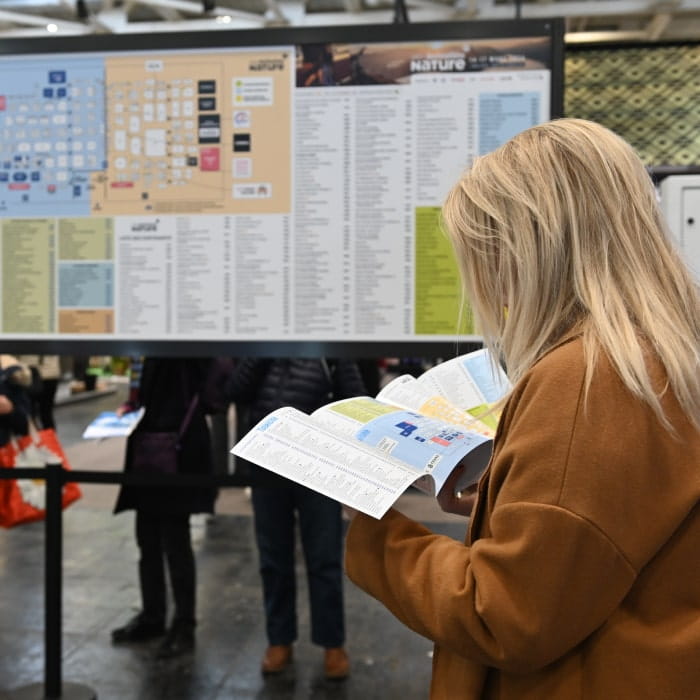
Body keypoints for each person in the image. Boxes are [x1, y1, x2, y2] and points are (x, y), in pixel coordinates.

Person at [343, 119, 700, 698]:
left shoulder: (585, 378)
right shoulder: (659, 350)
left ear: (530, 248)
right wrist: (501, 502)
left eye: (486, 255)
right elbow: (601, 540)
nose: (489, 287)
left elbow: (504, 615)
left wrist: (376, 537)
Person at [228, 358, 367, 680]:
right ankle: (279, 640)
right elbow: (235, 391)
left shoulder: (330, 346)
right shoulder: (261, 342)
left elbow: (356, 399)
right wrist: (259, 354)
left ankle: (332, 643)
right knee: (273, 557)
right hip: (267, 459)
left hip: (317, 460)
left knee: (324, 558)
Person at [111, 357, 217, 660]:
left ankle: (184, 622)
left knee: (175, 540)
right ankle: (152, 615)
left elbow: (206, 388)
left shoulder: (178, 347)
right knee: (147, 537)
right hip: (147, 447)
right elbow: (142, 391)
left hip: (175, 447)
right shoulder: (142, 350)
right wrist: (130, 410)